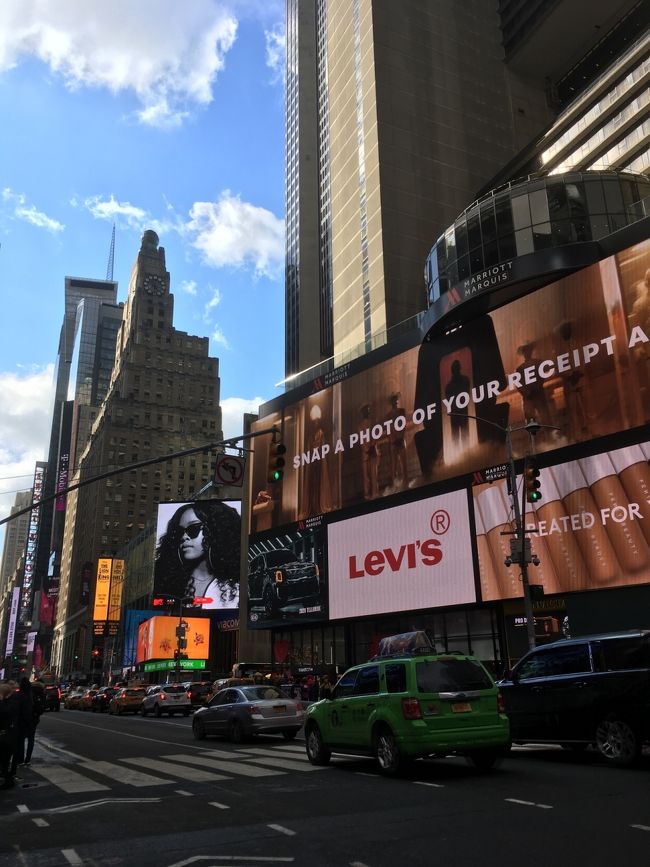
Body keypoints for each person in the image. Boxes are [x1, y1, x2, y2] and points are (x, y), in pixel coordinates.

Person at [154, 501, 241, 609]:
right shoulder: (167, 584)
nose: (184, 537)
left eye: (193, 529)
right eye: (179, 532)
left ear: (214, 530)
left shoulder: (237, 585)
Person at [10, 678, 33, 779]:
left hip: (15, 724)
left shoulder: (17, 696)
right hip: (24, 724)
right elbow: (28, 712)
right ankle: (20, 761)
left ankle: (16, 762)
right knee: (21, 743)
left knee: (16, 744)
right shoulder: (28, 697)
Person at [444, 359, 471, 444]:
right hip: (456, 415)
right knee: (457, 438)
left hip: (460, 414)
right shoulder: (449, 386)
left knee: (464, 437)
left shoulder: (450, 386)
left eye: (456, 368)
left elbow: (467, 394)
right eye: (455, 369)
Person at [0, 682, 19, 789]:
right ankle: (7, 779)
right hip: (8, 735)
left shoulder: (7, 703)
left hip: (6, 736)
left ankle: (8, 780)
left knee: (5, 759)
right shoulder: (9, 702)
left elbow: (4, 714)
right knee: (4, 760)